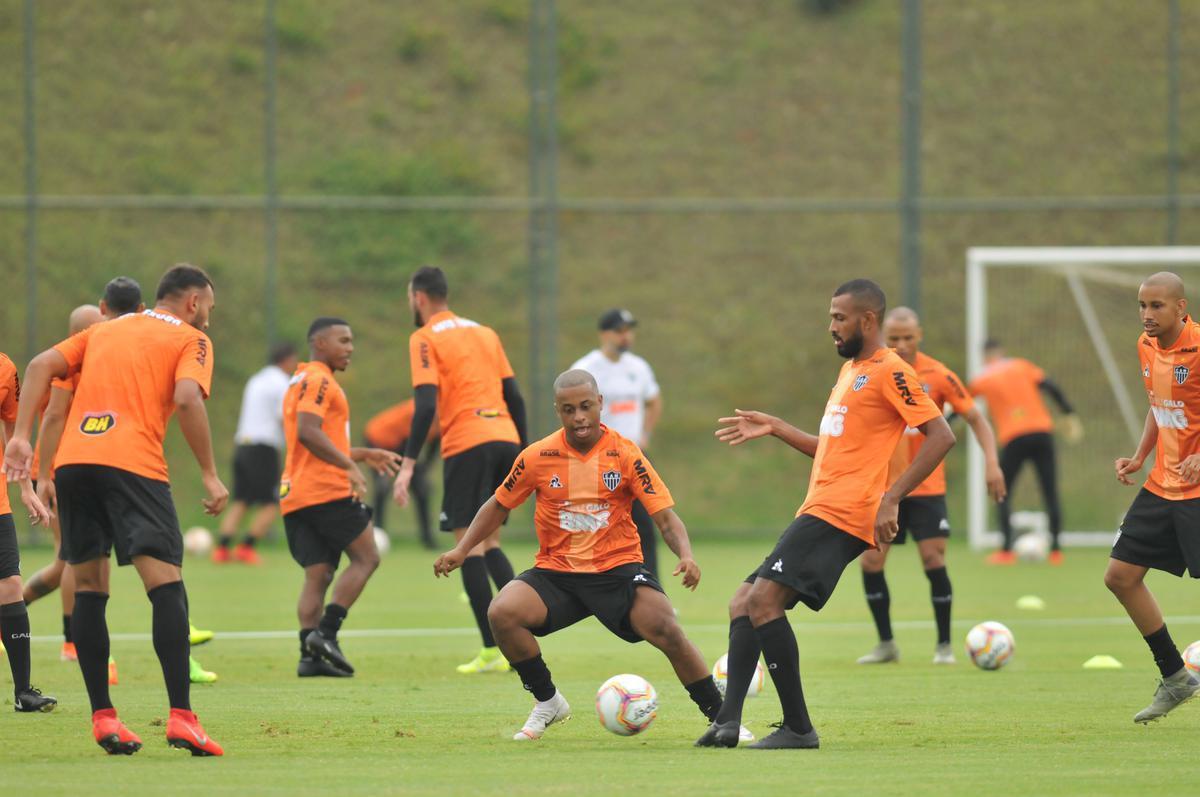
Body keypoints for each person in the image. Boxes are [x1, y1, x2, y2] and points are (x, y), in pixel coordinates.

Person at [697, 279, 955, 750]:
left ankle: (798, 728)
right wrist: (776, 427)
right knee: (743, 601)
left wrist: (892, 497)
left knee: (763, 603)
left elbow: (941, 434)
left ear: (867, 320)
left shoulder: (889, 369)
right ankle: (727, 722)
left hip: (845, 509)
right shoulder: (850, 372)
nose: (831, 327)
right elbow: (832, 450)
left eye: (839, 317)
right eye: (831, 317)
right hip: (822, 503)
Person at [4, 264, 228, 756]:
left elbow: (40, 365)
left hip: (76, 464)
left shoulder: (104, 329)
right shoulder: (191, 339)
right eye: (209, 307)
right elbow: (187, 398)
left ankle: (104, 719)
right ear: (192, 303)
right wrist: (210, 473)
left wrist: (20, 438)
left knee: (88, 586)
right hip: (134, 465)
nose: (209, 318)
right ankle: (183, 718)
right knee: (165, 583)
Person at [434, 369, 729, 741]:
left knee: (665, 626)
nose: (579, 418)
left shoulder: (625, 453)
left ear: (600, 403)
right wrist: (462, 549)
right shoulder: (538, 456)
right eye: (569, 409)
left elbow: (666, 519)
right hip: (557, 574)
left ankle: (722, 718)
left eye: (586, 407)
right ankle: (548, 701)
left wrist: (686, 554)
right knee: (502, 613)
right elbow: (497, 504)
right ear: (557, 410)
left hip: (617, 570)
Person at [394, 266, 528, 674]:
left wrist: (409, 464)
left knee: (465, 546)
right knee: (491, 544)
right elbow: (515, 395)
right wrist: (523, 455)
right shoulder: (485, 332)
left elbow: (426, 404)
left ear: (418, 298)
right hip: (504, 436)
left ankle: (492, 649)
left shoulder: (423, 337)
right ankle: (523, 633)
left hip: (467, 442)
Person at [856, 307, 1007, 666]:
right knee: (871, 562)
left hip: (926, 489)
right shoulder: (870, 371)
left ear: (919, 335)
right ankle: (886, 644)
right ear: (882, 337)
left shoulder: (938, 375)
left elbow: (974, 417)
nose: (902, 345)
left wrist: (991, 461)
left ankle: (943, 647)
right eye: (894, 339)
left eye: (908, 338)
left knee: (933, 559)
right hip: (883, 488)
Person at [26, 280, 140, 674]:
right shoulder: (69, 369)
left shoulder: (99, 364)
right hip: (62, 470)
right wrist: (45, 474)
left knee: (65, 564)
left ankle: (12, 612)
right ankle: (72, 642)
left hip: (79, 467)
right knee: (75, 560)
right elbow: (53, 418)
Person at [281, 317, 401, 678]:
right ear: (319, 343)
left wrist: (363, 454)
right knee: (367, 558)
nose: (350, 347)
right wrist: (349, 465)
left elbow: (318, 438)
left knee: (318, 574)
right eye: (343, 340)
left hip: (295, 493)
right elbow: (308, 432)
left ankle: (309, 656)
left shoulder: (300, 379)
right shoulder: (319, 379)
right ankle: (327, 634)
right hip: (326, 491)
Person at [1107, 271, 1200, 723]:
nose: (1147, 314)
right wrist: (1141, 455)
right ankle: (1176, 677)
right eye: (1142, 305)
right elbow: (1160, 404)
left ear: (1182, 308)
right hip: (1163, 484)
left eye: (1157, 306)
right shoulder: (1146, 346)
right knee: (1120, 576)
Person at [968, 339, 1082, 564]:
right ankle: (1056, 551)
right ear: (1001, 352)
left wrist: (942, 423)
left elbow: (961, 404)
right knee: (1049, 491)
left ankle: (1006, 551)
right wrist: (1068, 412)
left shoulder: (983, 377)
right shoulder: (1022, 366)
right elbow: (1051, 386)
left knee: (1001, 491)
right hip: (1042, 432)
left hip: (1014, 437)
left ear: (984, 356)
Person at [571, 308, 663, 578]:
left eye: (629, 331)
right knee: (599, 524)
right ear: (604, 334)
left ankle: (650, 589)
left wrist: (645, 434)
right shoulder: (586, 368)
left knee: (644, 525)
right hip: (600, 459)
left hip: (633, 456)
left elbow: (654, 400)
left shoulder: (638, 367)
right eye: (620, 331)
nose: (626, 337)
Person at [0, 350, 56, 712]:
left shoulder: (5, 368)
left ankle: (24, 692)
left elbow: (13, 432)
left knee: (10, 586)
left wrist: (24, 489)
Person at [214, 342, 298, 565]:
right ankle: (246, 547)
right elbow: (284, 417)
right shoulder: (282, 383)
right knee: (272, 502)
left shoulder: (256, 379)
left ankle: (221, 549)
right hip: (264, 447)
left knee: (241, 500)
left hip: (243, 444)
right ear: (287, 360)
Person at [363, 399, 439, 548]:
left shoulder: (445, 416)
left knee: (422, 490)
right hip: (379, 440)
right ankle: (377, 535)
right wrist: (410, 470)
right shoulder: (420, 410)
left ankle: (427, 539)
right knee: (382, 488)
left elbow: (434, 445)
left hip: (402, 445)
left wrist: (423, 471)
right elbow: (409, 443)